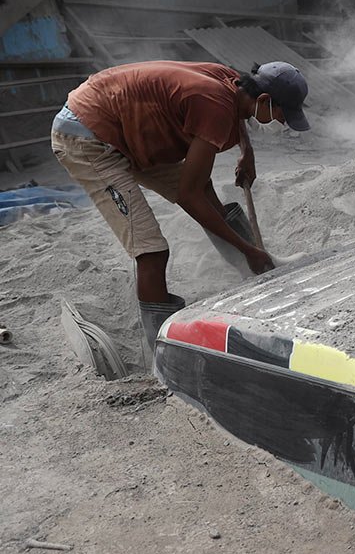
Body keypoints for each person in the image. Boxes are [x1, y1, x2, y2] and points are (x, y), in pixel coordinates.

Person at [51, 60, 312, 345]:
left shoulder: (231, 81)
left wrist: (246, 150)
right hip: (88, 136)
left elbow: (235, 115)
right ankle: (159, 348)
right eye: (280, 115)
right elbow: (188, 196)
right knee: (152, 250)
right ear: (263, 100)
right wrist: (246, 247)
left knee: (206, 191)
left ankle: (253, 269)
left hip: (123, 126)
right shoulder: (215, 106)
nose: (282, 122)